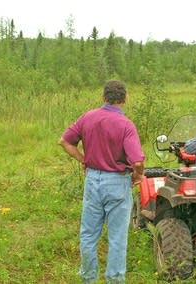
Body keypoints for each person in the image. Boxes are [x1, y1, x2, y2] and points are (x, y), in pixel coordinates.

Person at [58, 80, 145, 284]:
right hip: (117, 182)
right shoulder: (126, 125)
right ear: (124, 99)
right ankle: (114, 280)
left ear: (103, 97)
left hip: (92, 180)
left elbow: (64, 141)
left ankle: (88, 278)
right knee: (117, 237)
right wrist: (137, 175)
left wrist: (83, 159)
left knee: (88, 234)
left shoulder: (88, 117)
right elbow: (137, 161)